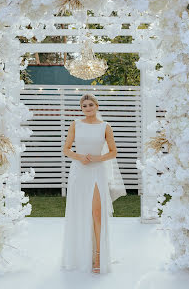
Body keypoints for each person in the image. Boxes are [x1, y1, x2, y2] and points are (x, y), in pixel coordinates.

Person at [60, 93, 126, 274]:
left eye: (90, 105)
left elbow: (113, 152)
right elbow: (66, 149)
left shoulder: (105, 127)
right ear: (81, 109)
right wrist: (79, 157)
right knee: (79, 212)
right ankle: (80, 254)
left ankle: (99, 255)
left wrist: (98, 158)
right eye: (84, 106)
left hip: (98, 171)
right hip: (79, 171)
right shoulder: (75, 124)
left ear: (96, 106)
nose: (87, 108)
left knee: (97, 213)